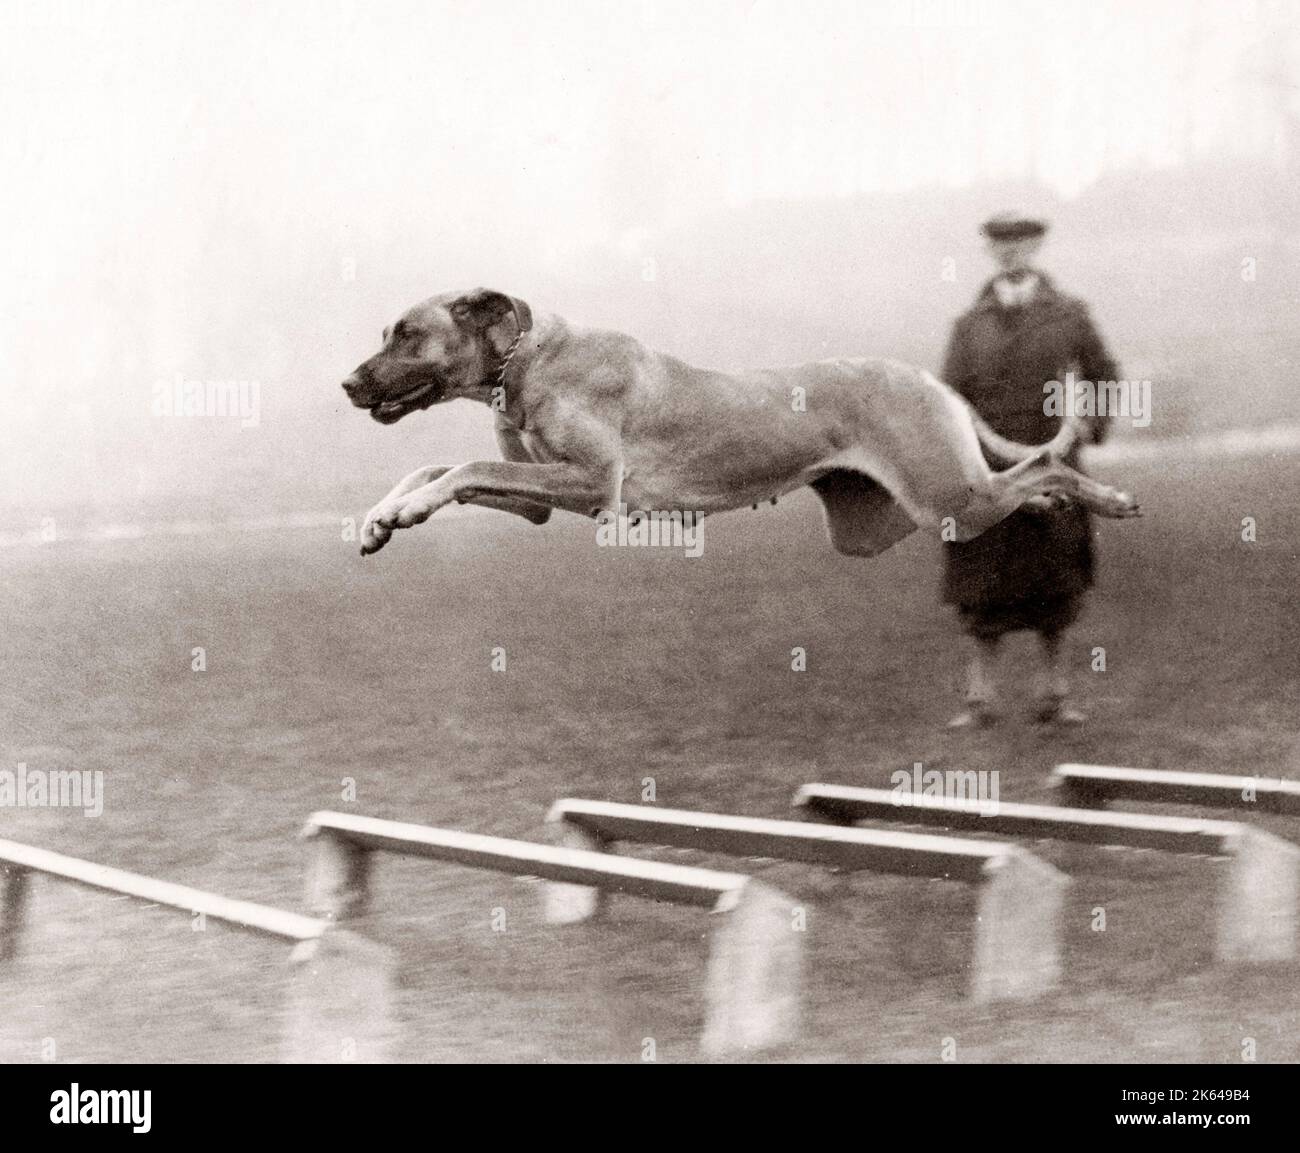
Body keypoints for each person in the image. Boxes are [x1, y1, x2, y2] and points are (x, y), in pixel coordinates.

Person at [941, 211, 1118, 727]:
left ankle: (1054, 695)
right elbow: (950, 396)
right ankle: (979, 700)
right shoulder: (968, 325)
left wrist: (1092, 422)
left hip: (1054, 460)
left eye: (1020, 243)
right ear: (990, 252)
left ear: (1037, 246)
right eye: (1000, 244)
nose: (1010, 253)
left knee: (1056, 578)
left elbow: (1103, 372)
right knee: (981, 582)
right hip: (989, 467)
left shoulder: (1069, 314)